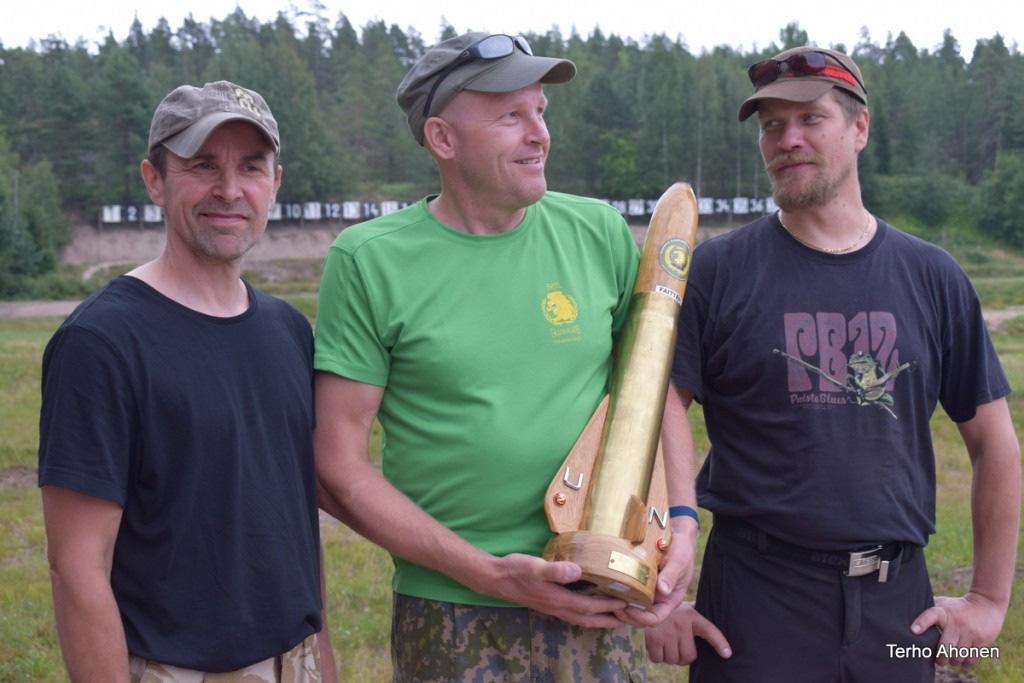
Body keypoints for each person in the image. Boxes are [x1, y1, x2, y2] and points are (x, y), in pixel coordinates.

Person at [313, 32, 698, 681]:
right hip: (455, 613)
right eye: (510, 116)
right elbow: (338, 462)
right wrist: (488, 573)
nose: (538, 134)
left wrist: (682, 521)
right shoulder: (369, 260)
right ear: (442, 137)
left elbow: (649, 390)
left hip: (598, 604)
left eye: (540, 112)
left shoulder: (596, 231)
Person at [647, 46, 1021, 681]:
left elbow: (995, 445)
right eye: (771, 126)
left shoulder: (932, 276)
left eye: (810, 119)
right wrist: (657, 599)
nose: (787, 139)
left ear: (859, 128)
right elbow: (652, 421)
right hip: (755, 604)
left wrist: (988, 600)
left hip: (897, 606)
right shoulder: (717, 272)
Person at [38, 80, 337, 682]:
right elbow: (78, 568)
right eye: (203, 166)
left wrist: (320, 660)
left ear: (275, 183)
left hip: (294, 660)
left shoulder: (286, 330)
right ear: (155, 179)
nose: (230, 190)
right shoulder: (101, 343)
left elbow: (295, 529)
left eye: (251, 167)